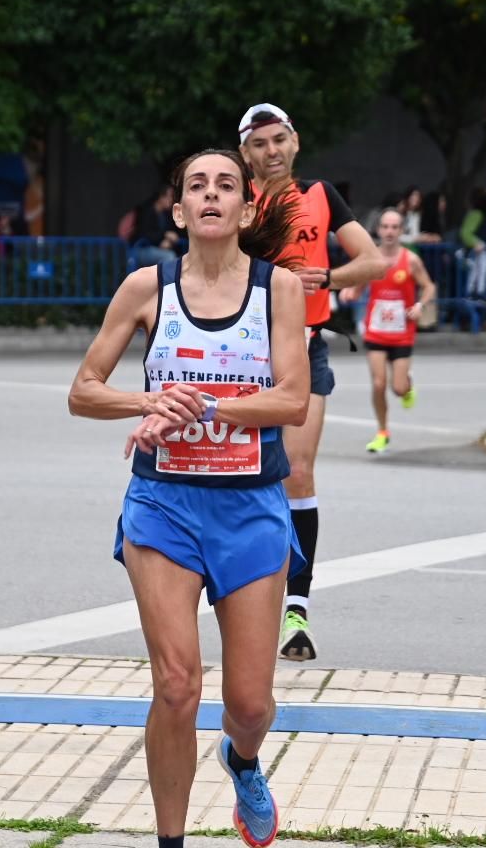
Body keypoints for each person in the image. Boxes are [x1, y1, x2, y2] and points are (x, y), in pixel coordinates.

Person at [68, 147, 308, 848]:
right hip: (164, 504)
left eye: (225, 185)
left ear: (245, 207)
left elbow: (293, 399)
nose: (210, 195)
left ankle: (242, 761)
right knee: (176, 685)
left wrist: (205, 408)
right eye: (196, 186)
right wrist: (149, 399)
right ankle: (170, 841)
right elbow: (83, 391)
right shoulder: (147, 288)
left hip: (250, 507)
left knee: (250, 704)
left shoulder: (278, 291)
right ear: (177, 211)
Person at [237, 102, 383, 662]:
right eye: (259, 144)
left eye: (279, 140)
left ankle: (295, 609)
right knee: (243, 474)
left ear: (294, 141)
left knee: (297, 472)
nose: (271, 151)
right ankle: (242, 593)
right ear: (247, 154)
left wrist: (330, 276)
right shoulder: (239, 203)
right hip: (247, 353)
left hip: (308, 345)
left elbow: (372, 260)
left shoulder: (322, 195)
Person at [340, 209, 435, 454]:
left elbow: (428, 287)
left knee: (398, 388)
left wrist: (419, 305)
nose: (390, 232)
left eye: (395, 227)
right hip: (376, 331)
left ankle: (407, 386)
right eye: (386, 227)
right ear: (379, 230)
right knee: (379, 383)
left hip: (402, 332)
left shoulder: (411, 260)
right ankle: (382, 431)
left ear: (401, 231)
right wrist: (349, 293)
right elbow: (358, 288)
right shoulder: (372, 260)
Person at [129, 185, 183, 267]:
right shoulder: (146, 211)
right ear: (161, 197)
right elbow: (144, 234)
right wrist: (164, 236)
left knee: (177, 258)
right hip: (141, 249)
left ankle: (160, 279)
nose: (172, 200)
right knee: (169, 256)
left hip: (156, 249)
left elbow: (172, 232)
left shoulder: (166, 215)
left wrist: (169, 241)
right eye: (170, 196)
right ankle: (167, 280)